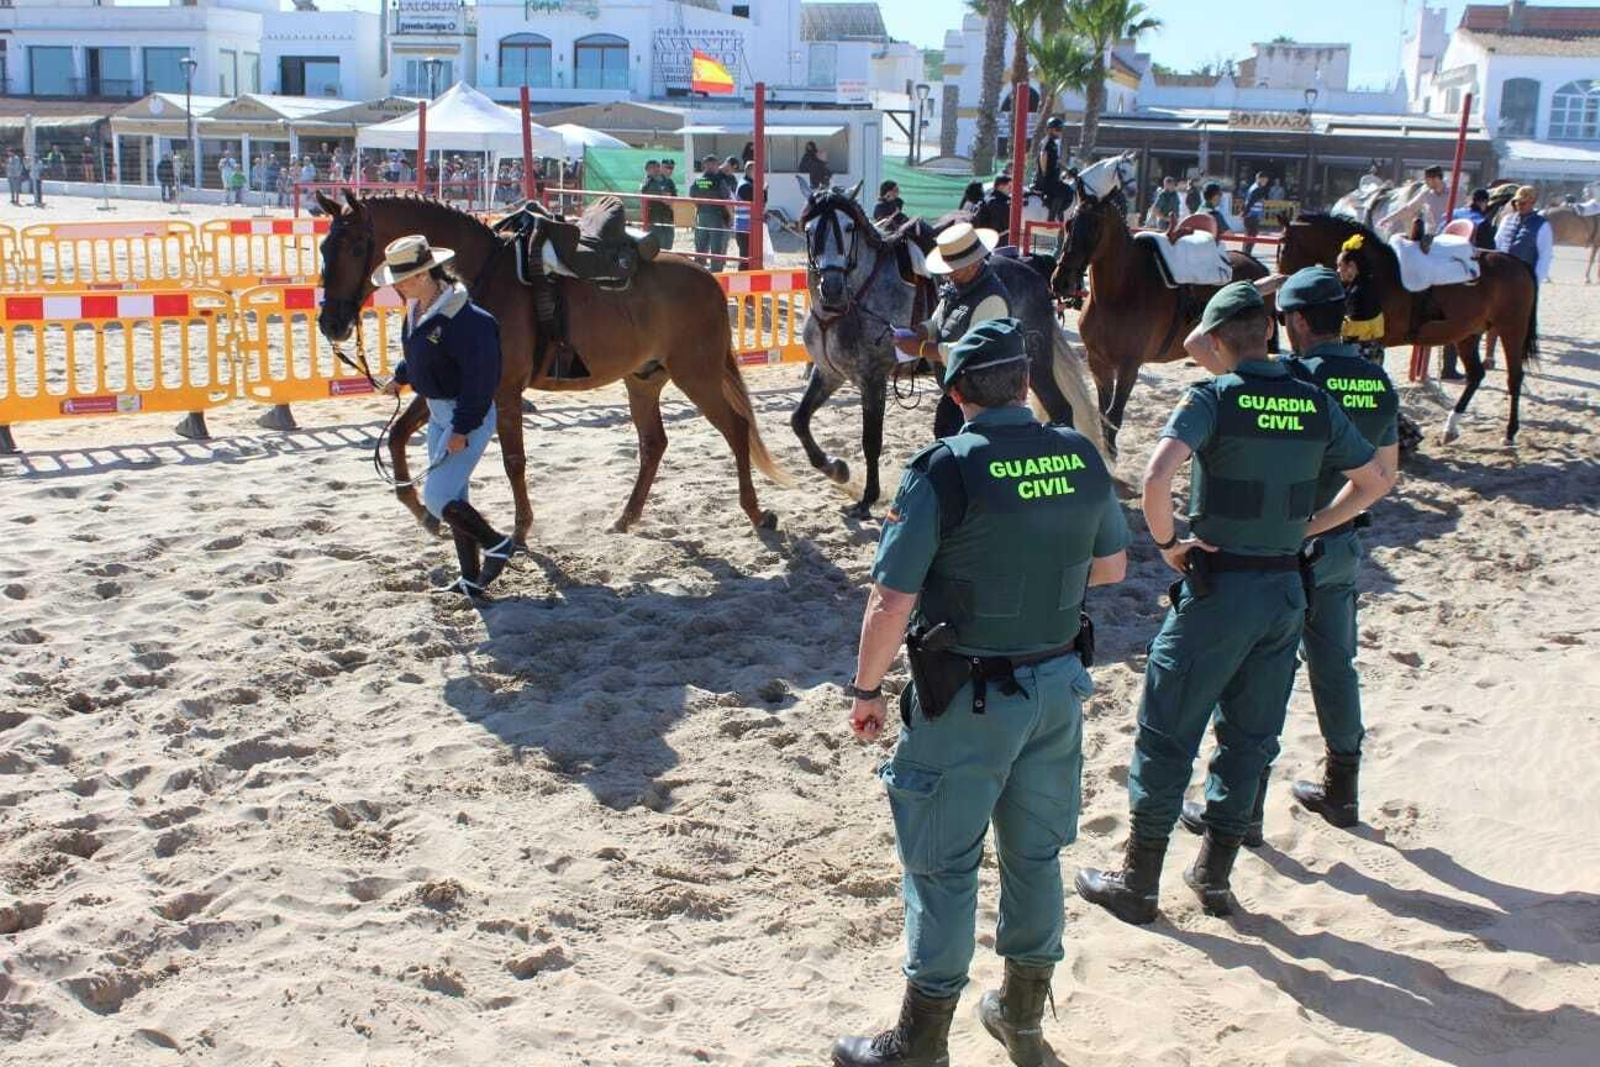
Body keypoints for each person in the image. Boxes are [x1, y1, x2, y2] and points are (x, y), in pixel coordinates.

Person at [832, 317, 1129, 1067]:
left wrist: (866, 689)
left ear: (956, 391)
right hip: (1057, 683)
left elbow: (889, 601)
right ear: (1026, 384)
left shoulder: (945, 469)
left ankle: (922, 1041)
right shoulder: (1078, 455)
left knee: (942, 864)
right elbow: (1113, 567)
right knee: (1035, 855)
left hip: (967, 698)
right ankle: (1022, 1017)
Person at [1074, 281, 1391, 924]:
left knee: (1168, 731)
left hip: (1219, 588)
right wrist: (1311, 526)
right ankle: (1214, 876)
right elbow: (1377, 480)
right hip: (1284, 589)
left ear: (1216, 343)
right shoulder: (1314, 401)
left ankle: (1138, 881)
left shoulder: (1214, 396)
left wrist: (1166, 543)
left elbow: (1157, 475)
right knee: (1251, 735)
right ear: (1270, 333)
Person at [1177, 267, 1399, 848]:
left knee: (1259, 681)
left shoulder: (1293, 377)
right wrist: (1326, 523)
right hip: (1341, 542)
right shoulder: (1377, 380)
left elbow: (1198, 343)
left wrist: (1259, 293)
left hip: (1277, 546)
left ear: (1295, 320)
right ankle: (1342, 787)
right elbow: (1385, 477)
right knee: (1335, 665)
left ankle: (1244, 809)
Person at [374, 236, 514, 601]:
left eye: (402, 280)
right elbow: (421, 352)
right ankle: (470, 579)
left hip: (464, 415)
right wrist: (401, 377)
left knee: (437, 499)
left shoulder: (470, 321)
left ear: (424, 275)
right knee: (454, 495)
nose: (397, 288)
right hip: (438, 414)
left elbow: (482, 380)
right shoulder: (419, 308)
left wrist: (463, 427)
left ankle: (496, 545)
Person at [893, 223, 1011, 440]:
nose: (948, 274)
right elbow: (939, 320)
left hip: (982, 397)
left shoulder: (991, 298)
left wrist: (919, 348)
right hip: (962, 390)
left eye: (954, 268)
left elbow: (971, 351)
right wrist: (920, 330)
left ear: (973, 263)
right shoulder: (960, 287)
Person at [1335, 234, 1385, 361]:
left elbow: (1352, 326)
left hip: (1359, 356)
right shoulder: (1370, 282)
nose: (1338, 270)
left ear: (1351, 266)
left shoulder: (1357, 292)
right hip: (1375, 351)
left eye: (1340, 266)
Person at [1495, 184, 1553, 287]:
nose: (1519, 205)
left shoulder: (1542, 225)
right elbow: (1497, 244)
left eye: (1523, 202)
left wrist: (1535, 282)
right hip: (1502, 276)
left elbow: (1545, 257)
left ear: (1533, 202)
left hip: (1524, 280)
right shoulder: (1507, 220)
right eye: (1517, 202)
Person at [1379, 165, 1448, 239]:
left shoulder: (1457, 193)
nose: (1425, 182)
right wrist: (1388, 219)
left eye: (1427, 179)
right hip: (1431, 238)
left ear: (1436, 179)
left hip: (1449, 235)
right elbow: (1409, 209)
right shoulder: (1426, 194)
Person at [690, 154, 732, 272]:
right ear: (715, 166)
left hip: (702, 215)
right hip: (717, 217)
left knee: (701, 245)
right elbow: (727, 201)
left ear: (704, 166)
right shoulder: (719, 181)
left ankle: (698, 271)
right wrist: (732, 217)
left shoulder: (697, 181)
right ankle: (716, 273)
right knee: (716, 247)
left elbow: (693, 199)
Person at [1034, 116, 1069, 221]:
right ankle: (1051, 218)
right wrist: (1044, 173)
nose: (1059, 132)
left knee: (1065, 189)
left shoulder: (1053, 143)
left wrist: (1068, 170)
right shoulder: (1047, 141)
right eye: (1057, 129)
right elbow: (1043, 155)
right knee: (1063, 191)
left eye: (1060, 130)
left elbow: (1056, 162)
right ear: (1049, 130)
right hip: (1046, 179)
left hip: (1051, 178)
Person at [639, 159, 677, 251]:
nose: (655, 169)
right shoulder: (647, 182)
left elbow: (673, 198)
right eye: (652, 168)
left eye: (657, 166)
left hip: (667, 217)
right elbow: (644, 194)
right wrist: (663, 196)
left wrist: (667, 198)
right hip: (653, 219)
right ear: (647, 170)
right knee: (655, 246)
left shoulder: (668, 181)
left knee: (668, 244)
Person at [733, 161, 761, 268]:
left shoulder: (747, 183)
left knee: (749, 255)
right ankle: (742, 279)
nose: (759, 174)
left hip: (747, 226)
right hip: (744, 227)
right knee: (745, 257)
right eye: (756, 171)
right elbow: (759, 201)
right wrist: (764, 190)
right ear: (749, 171)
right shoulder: (745, 186)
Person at [971, 174, 1012, 245]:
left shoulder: (985, 199)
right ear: (1001, 187)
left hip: (983, 241)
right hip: (998, 243)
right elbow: (1001, 226)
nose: (1011, 190)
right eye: (1009, 187)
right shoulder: (1000, 204)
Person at [1241, 172, 1270, 256]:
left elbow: (1247, 201)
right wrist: (1244, 213)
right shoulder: (1257, 189)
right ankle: (1247, 254)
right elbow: (1250, 202)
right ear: (1260, 179)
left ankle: (1245, 253)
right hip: (1252, 216)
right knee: (1251, 237)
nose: (1266, 182)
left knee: (1248, 236)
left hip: (1250, 216)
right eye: (1265, 180)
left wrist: (1243, 213)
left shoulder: (1253, 187)